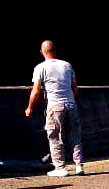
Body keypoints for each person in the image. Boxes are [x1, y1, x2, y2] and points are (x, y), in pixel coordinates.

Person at [25, 40, 84, 177]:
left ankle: (60, 168)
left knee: (55, 136)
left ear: (42, 52)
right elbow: (75, 88)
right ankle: (79, 165)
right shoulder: (67, 65)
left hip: (55, 105)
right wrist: (70, 99)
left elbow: (36, 91)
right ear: (55, 51)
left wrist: (29, 108)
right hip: (71, 104)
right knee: (75, 135)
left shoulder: (40, 68)